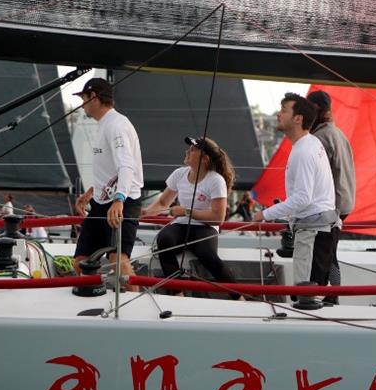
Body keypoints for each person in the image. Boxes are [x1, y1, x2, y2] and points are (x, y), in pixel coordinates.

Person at [252, 93, 337, 287]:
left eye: (283, 111)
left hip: (313, 231)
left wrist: (264, 214)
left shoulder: (303, 151)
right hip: (321, 227)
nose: (278, 115)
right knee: (315, 289)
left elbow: (302, 198)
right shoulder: (310, 144)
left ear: (298, 119)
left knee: (306, 292)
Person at [72, 78, 143, 289]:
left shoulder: (117, 125)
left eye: (84, 98)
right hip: (102, 203)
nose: (82, 104)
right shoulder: (104, 125)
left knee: (118, 262)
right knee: (80, 262)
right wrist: (91, 192)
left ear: (93, 97)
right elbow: (111, 169)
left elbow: (126, 166)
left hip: (123, 201)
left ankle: (133, 311)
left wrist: (119, 200)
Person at [143, 136, 236, 293]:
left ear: (204, 159)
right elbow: (163, 203)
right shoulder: (179, 174)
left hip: (205, 227)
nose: (187, 151)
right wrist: (145, 212)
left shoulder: (216, 180)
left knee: (207, 255)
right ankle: (177, 291)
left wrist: (187, 211)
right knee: (164, 241)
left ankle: (239, 296)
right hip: (180, 225)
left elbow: (218, 218)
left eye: (193, 150)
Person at [306, 90, 356, 302]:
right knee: (330, 252)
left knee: (323, 253)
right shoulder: (338, 134)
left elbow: (317, 178)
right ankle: (332, 294)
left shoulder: (320, 138)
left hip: (330, 206)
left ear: (315, 109)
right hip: (344, 203)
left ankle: (322, 295)